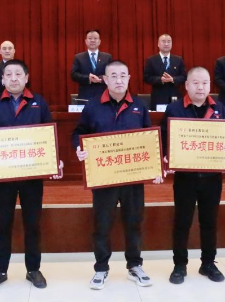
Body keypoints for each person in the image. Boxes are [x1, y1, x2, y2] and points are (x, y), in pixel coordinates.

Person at [72, 60, 163, 290]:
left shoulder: (139, 105)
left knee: (134, 222)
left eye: (123, 75)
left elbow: (149, 138)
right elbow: (79, 132)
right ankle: (101, 268)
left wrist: (155, 167)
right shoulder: (93, 106)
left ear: (129, 78)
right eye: (113, 76)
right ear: (105, 79)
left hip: (132, 177)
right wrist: (79, 148)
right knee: (102, 224)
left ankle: (135, 265)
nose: (119, 80)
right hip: (104, 177)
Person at [0, 59, 64, 291]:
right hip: (3, 177)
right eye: (9, 74)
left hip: (31, 176)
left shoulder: (39, 102)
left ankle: (33, 269)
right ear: (2, 79)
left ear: (26, 78)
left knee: (32, 224)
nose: (13, 78)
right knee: (3, 224)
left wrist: (55, 160)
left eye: (18, 74)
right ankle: (0, 270)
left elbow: (49, 135)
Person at [160, 67, 225, 285]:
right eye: (195, 83)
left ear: (209, 86)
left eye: (205, 83)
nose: (200, 87)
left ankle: (208, 263)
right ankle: (179, 265)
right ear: (186, 85)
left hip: (212, 178)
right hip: (185, 178)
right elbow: (164, 138)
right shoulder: (174, 109)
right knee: (182, 221)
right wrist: (167, 156)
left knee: (209, 221)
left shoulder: (219, 108)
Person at [143, 34, 187, 110]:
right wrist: (160, 79)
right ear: (158, 44)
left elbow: (184, 77)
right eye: (163, 41)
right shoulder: (151, 60)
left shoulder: (178, 60)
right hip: (158, 97)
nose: (166, 44)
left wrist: (173, 79)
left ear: (171, 44)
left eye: (169, 41)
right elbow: (146, 77)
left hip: (175, 96)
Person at [70, 30, 112, 101]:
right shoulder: (78, 57)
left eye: (95, 38)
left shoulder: (107, 57)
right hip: (85, 95)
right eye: (90, 38)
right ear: (86, 41)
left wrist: (100, 79)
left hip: (103, 94)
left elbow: (111, 74)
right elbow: (73, 75)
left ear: (99, 41)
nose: (92, 40)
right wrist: (88, 78)